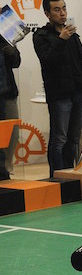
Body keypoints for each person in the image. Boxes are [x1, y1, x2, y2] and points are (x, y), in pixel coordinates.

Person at [33, 0, 82, 177]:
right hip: (59, 95)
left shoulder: (73, 35)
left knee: (74, 139)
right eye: (57, 10)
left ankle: (70, 174)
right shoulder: (41, 36)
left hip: (78, 94)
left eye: (64, 8)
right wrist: (61, 39)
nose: (62, 13)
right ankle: (57, 176)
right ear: (47, 13)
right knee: (59, 138)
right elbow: (47, 60)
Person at [0, 42, 21, 180]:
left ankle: (5, 169)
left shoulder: (4, 35)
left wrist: (12, 51)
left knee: (12, 134)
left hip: (7, 93)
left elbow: (16, 62)